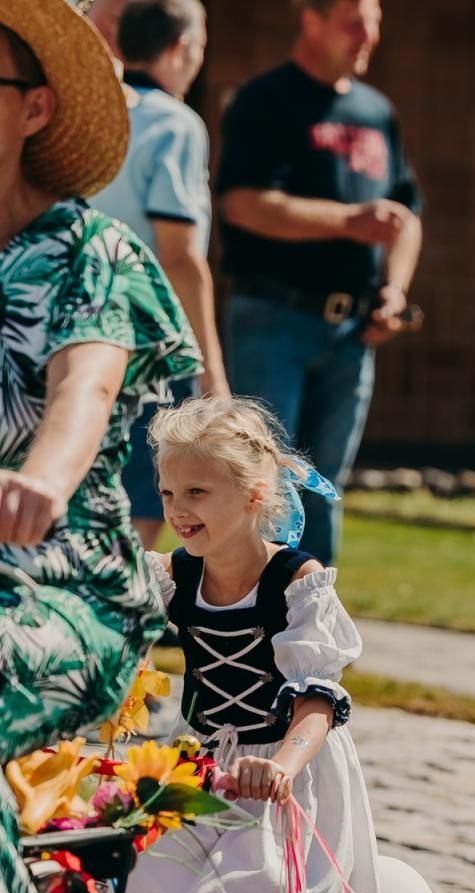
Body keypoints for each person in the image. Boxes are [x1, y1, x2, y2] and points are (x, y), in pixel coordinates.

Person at [0, 0, 201, 893]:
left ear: (34, 108)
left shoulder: (90, 253)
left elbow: (82, 390)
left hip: (66, 593)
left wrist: (41, 477)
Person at [122, 395, 384, 893]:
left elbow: (318, 698)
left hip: (287, 780)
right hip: (207, 766)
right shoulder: (175, 576)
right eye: (168, 491)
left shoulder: (295, 582)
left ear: (254, 494)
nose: (178, 509)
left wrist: (283, 770)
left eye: (198, 492)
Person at [217, 0, 421, 565]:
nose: (368, 36)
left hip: (352, 332)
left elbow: (407, 218)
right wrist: (350, 222)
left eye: (375, 23)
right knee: (261, 479)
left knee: (325, 487)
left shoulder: (377, 112)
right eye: (354, 22)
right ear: (310, 19)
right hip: (273, 318)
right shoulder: (266, 100)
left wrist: (394, 294)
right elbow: (242, 204)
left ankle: (310, 632)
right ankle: (243, 624)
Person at [90, 0, 229, 550]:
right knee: (143, 508)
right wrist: (210, 370)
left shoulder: (92, 111)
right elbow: (180, 254)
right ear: (182, 48)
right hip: (147, 339)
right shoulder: (176, 124)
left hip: (73, 328)